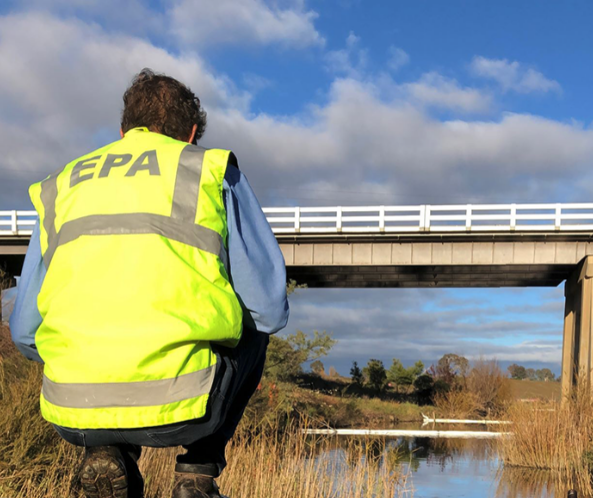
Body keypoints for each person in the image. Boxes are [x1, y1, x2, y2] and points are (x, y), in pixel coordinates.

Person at [9, 68, 289, 498]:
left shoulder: (59, 186)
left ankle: (106, 450)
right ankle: (197, 472)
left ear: (123, 132)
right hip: (188, 408)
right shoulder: (209, 170)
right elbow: (268, 310)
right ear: (192, 133)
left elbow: (26, 333)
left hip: (71, 410)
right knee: (255, 336)